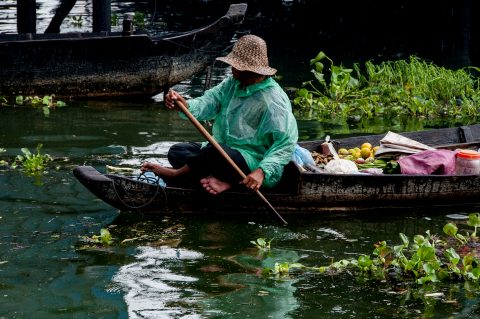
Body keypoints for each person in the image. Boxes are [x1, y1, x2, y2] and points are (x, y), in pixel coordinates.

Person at [141, 34, 298, 195]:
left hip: (253, 161)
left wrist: (262, 171)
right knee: (177, 151)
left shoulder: (273, 100)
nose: (232, 68)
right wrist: (185, 106)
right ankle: (222, 181)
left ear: (246, 69)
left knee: (214, 153)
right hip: (223, 153)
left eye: (235, 65)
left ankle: (177, 175)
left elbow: (285, 143)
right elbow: (209, 102)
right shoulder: (233, 84)